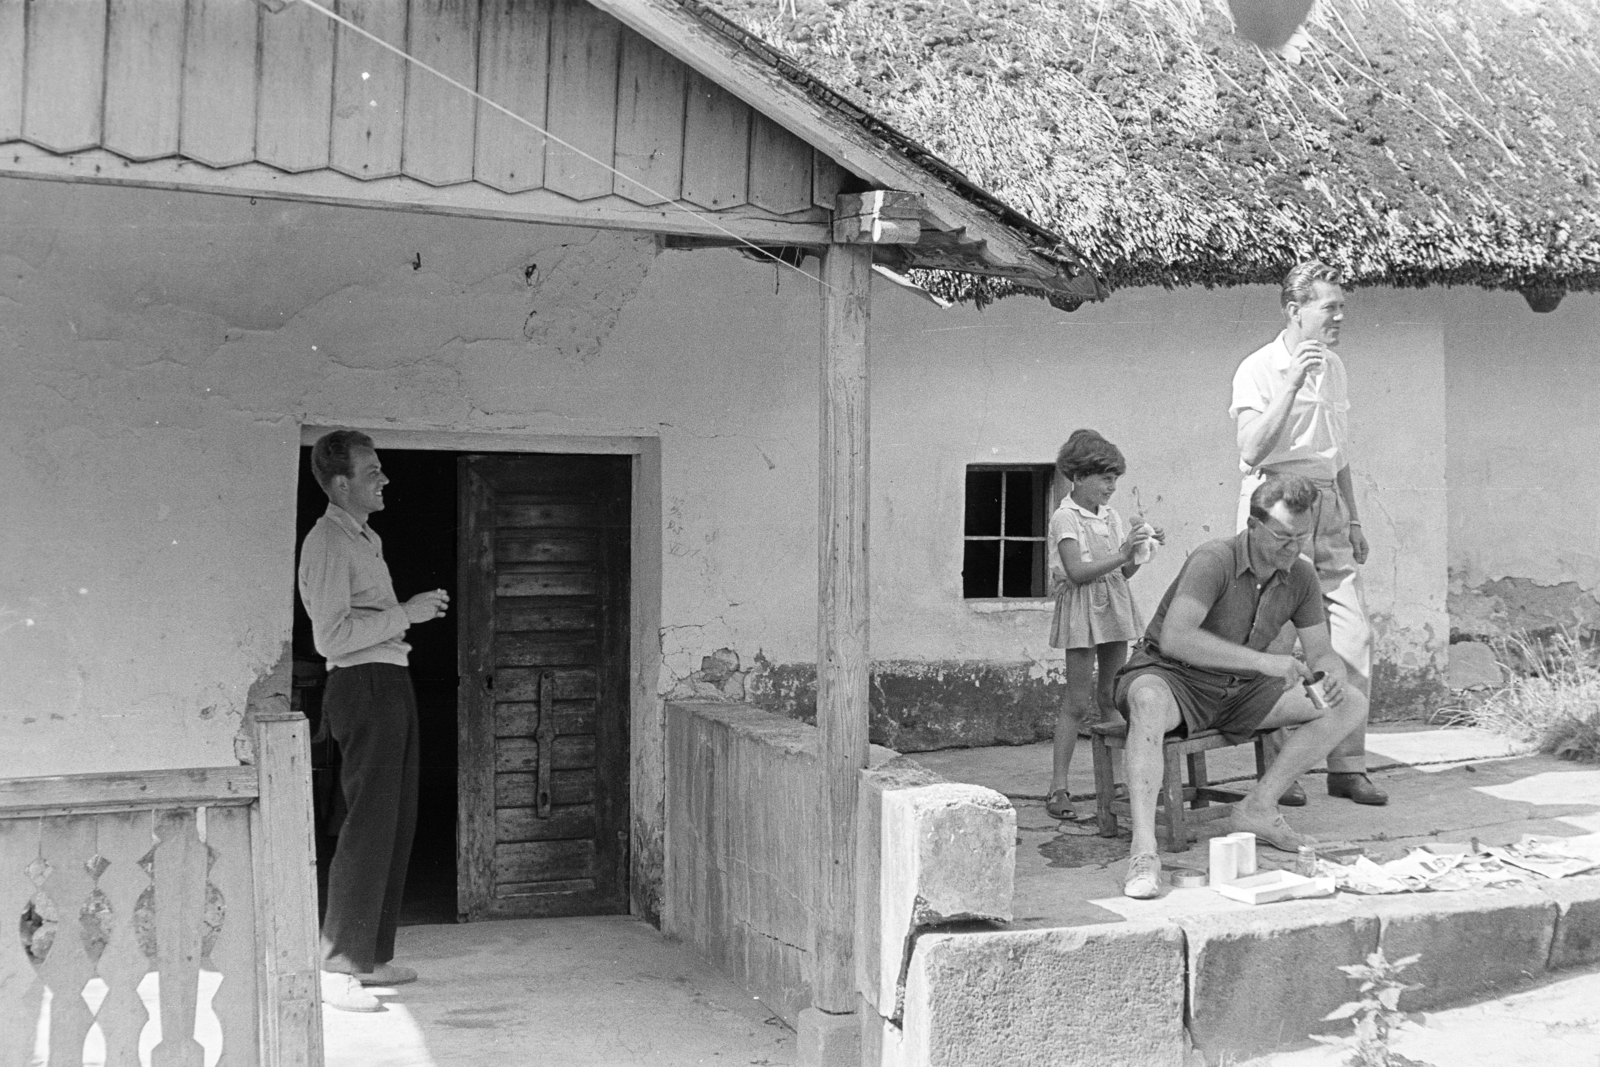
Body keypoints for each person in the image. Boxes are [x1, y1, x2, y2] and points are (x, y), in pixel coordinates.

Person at [1113, 474, 1369, 899]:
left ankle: (1258, 807)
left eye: (1301, 538)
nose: (1293, 548)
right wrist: (1266, 662)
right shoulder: (1214, 559)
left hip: (1241, 692)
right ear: (1253, 526)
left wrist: (1331, 673)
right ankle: (1143, 849)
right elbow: (1177, 637)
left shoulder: (1301, 576)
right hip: (1176, 680)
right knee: (1146, 699)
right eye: (1283, 537)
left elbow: (1320, 652)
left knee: (1349, 703)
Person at [297, 430, 450, 1012]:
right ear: (341, 484)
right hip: (361, 683)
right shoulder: (329, 541)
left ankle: (367, 955)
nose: (384, 480)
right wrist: (404, 613)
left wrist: (398, 617)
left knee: (395, 817)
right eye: (372, 472)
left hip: (388, 678)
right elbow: (330, 635)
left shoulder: (364, 538)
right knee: (367, 822)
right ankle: (336, 964)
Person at [1229, 260, 1387, 808]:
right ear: (1295, 312)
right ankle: (1281, 771)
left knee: (1352, 639)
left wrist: (1356, 518)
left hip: (1331, 509)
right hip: (1278, 508)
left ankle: (1347, 765)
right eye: (1330, 307)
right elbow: (1251, 450)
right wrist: (1292, 384)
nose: (1340, 315)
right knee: (1275, 639)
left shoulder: (1337, 368)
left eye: (1342, 306)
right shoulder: (1258, 368)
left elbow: (1337, 452)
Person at [1044, 430, 1160, 822]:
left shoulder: (1110, 516)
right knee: (1077, 702)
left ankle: (1123, 782)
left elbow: (1122, 572)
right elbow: (1076, 572)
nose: (1112, 487)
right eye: (1105, 478)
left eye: (1115, 479)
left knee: (1111, 696)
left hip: (1112, 606)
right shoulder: (1065, 517)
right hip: (1082, 608)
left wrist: (1140, 550)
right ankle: (1058, 786)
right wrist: (1122, 553)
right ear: (1079, 476)